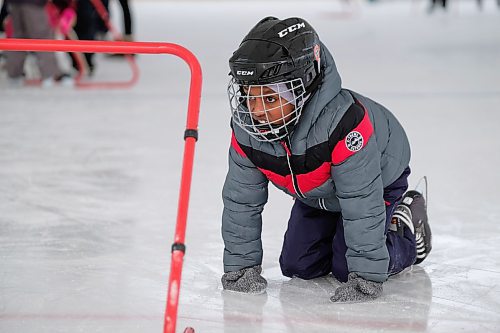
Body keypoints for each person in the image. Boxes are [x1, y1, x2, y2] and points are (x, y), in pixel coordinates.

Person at [220, 17, 432, 302]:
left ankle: (405, 229)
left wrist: (366, 276)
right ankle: (339, 235)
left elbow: (361, 202)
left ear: (303, 88)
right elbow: (241, 201)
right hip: (319, 193)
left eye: (269, 99)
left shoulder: (344, 124)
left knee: (347, 268)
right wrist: (240, 268)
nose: (256, 110)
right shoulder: (249, 130)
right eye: (248, 96)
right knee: (298, 265)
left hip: (377, 181)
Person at [4, 0, 72, 86]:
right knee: (43, 36)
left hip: (14, 3)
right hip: (34, 3)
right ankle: (49, 74)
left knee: (18, 37)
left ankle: (14, 74)